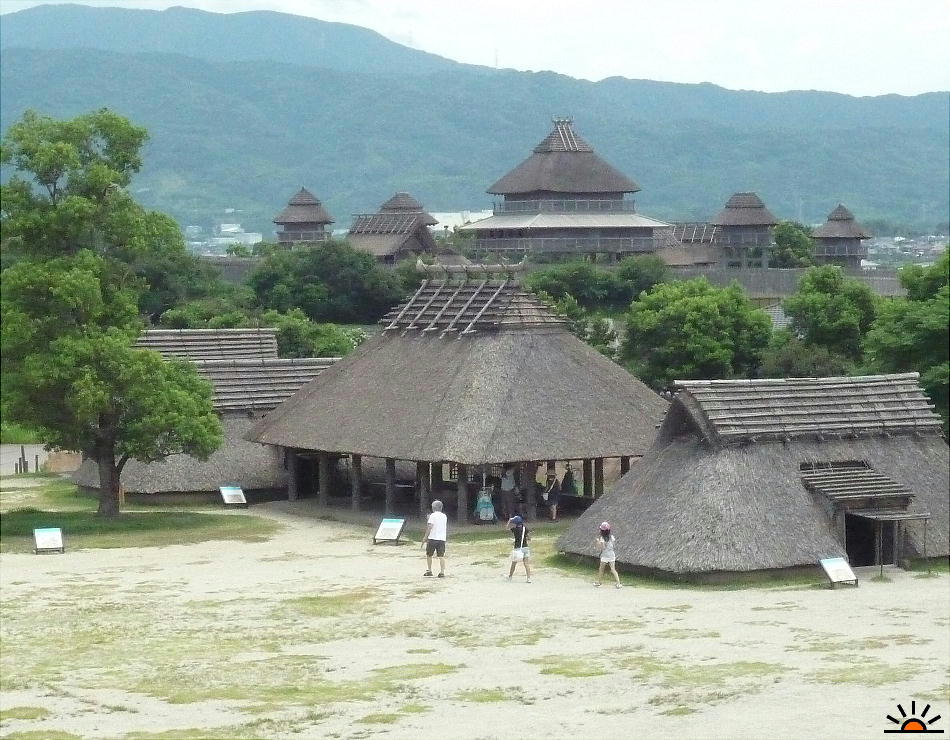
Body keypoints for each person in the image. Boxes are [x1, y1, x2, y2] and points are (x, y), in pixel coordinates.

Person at [422, 500, 448, 577]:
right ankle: (442, 572)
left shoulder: (432, 516)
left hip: (433, 537)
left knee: (429, 555)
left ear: (433, 507)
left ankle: (429, 570)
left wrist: (425, 537)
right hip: (442, 538)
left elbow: (430, 527)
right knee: (441, 556)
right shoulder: (444, 516)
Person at [594, 521, 621, 588]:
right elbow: (612, 545)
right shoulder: (612, 537)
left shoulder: (602, 538)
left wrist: (598, 542)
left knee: (601, 569)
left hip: (605, 555)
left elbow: (602, 548)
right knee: (613, 569)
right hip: (611, 554)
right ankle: (618, 583)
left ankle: (599, 582)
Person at [506, 515, 531, 583]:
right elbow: (529, 538)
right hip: (525, 547)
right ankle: (528, 578)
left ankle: (510, 577)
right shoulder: (525, 529)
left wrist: (509, 520)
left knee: (514, 563)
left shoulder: (514, 529)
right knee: (526, 563)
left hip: (517, 548)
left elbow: (506, 528)